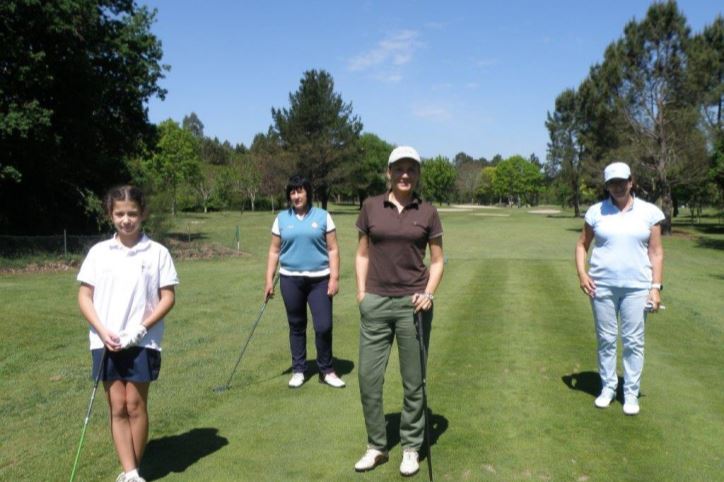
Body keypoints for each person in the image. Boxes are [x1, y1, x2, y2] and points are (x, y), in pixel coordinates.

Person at [353, 146, 444, 476]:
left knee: (413, 381)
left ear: (418, 174)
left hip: (413, 306)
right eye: (399, 169)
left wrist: (429, 293)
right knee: (367, 378)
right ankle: (377, 445)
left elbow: (437, 260)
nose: (405, 174)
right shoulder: (370, 207)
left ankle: (410, 447)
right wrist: (362, 293)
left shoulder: (428, 212)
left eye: (412, 169)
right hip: (375, 302)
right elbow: (362, 254)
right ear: (388, 172)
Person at [77, 185, 178, 482]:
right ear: (110, 215)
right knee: (117, 405)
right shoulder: (99, 253)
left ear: (142, 213)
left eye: (132, 213)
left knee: (135, 404)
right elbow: (85, 297)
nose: (126, 220)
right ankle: (131, 472)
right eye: (119, 214)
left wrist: (141, 328)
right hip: (105, 339)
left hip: (143, 340)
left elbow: (167, 297)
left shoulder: (158, 252)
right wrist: (101, 329)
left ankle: (131, 469)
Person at [575, 162, 664, 416]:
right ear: (607, 186)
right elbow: (582, 245)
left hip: (637, 287)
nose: (617, 187)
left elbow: (656, 252)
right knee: (606, 340)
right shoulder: (596, 212)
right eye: (612, 183)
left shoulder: (649, 212)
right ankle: (608, 388)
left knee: (634, 341)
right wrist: (582, 274)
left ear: (631, 181)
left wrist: (655, 287)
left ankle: (631, 393)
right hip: (601, 287)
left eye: (622, 182)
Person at [264, 175, 344, 389]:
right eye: (292, 192)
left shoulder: (323, 216)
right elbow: (273, 251)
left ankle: (327, 370)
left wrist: (334, 278)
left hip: (320, 280)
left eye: (300, 191)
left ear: (308, 192)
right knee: (297, 325)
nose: (296, 196)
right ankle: (299, 369)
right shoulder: (281, 218)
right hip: (290, 279)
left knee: (324, 326)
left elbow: (333, 249)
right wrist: (269, 280)